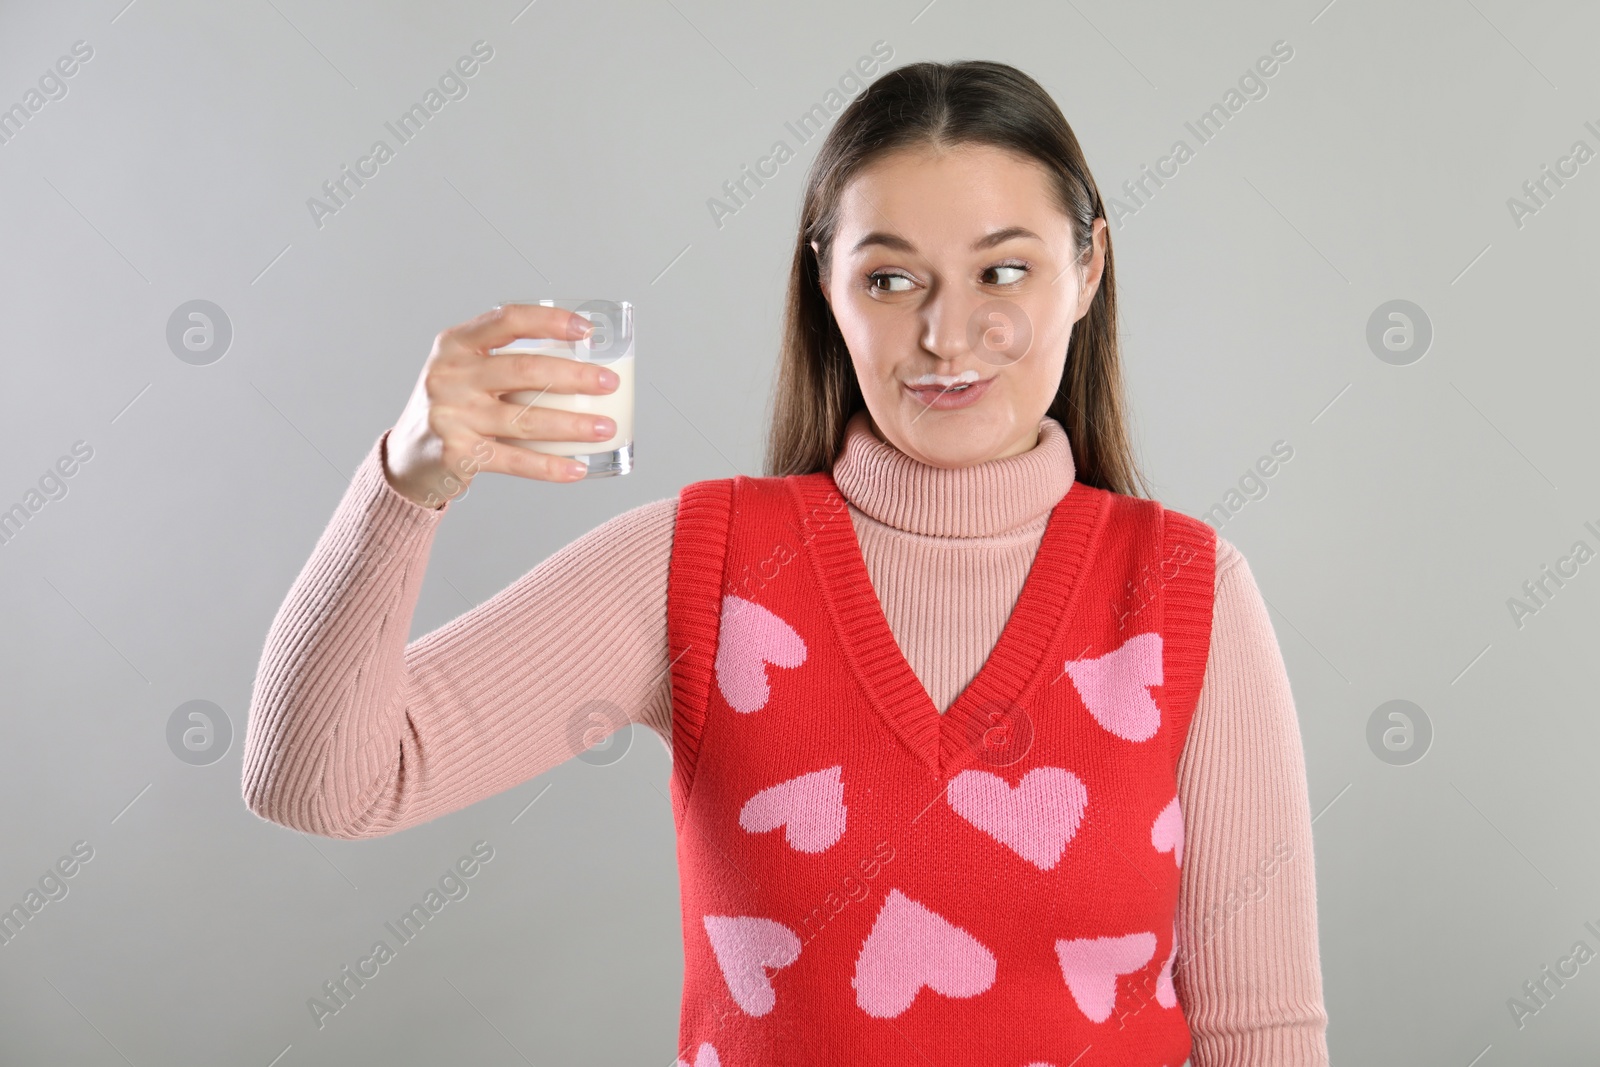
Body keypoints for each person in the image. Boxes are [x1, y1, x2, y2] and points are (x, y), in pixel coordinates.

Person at [243, 59, 1330, 1066]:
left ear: (1087, 270)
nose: (950, 337)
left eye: (1003, 269)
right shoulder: (705, 564)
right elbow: (322, 782)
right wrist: (406, 481)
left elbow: (1262, 1026)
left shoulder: (1186, 590)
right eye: (892, 280)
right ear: (825, 283)